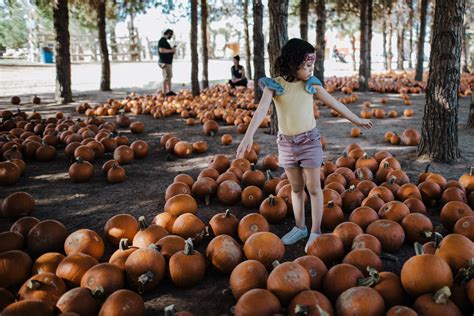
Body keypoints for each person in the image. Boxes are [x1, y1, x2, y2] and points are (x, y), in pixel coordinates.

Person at [236, 38, 373, 253]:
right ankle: (300, 227)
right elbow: (262, 110)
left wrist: (356, 120)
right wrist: (248, 136)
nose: (311, 70)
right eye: (307, 66)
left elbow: (335, 103)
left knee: (314, 189)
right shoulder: (275, 85)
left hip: (309, 142)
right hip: (286, 144)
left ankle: (315, 231)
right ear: (292, 63)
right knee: (297, 189)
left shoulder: (311, 85)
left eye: (312, 66)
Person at [157, 29, 177, 96]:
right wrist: (171, 50)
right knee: (165, 78)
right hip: (164, 62)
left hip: (168, 62)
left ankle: (169, 91)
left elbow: (168, 51)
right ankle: (164, 93)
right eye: (170, 34)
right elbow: (161, 50)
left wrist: (173, 50)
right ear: (168, 34)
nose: (171, 36)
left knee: (169, 77)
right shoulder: (162, 41)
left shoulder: (165, 41)